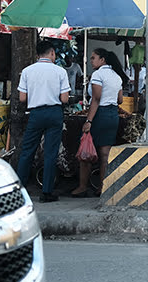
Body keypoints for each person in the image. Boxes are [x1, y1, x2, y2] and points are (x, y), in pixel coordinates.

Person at [17, 40, 70, 203]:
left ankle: (19, 191)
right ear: (52, 53)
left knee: (27, 151)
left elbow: (22, 98)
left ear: (37, 54)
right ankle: (46, 192)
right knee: (50, 152)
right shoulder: (60, 72)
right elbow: (65, 99)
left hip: (35, 113)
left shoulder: (27, 71)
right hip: (54, 113)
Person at [72, 48, 127, 198]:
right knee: (104, 154)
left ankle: (83, 186)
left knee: (86, 151)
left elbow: (96, 99)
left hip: (100, 115)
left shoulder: (98, 75)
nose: (91, 61)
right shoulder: (117, 76)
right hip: (113, 115)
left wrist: (88, 120)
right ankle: (102, 187)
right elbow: (120, 100)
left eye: (93, 58)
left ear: (102, 60)